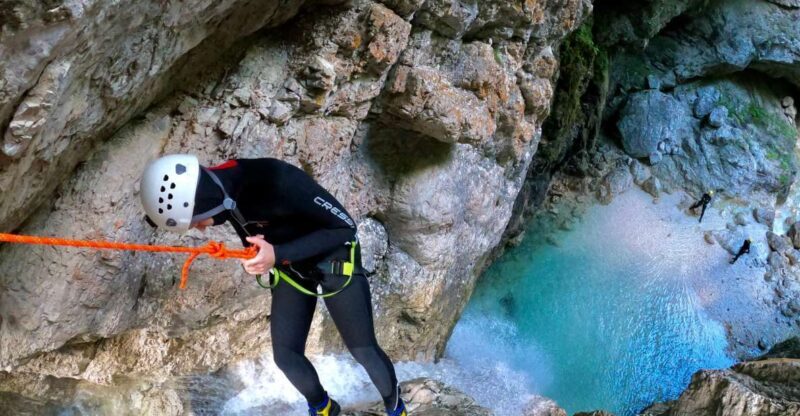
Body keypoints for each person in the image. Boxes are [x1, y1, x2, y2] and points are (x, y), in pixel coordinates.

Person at [140, 155, 407, 416]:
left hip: (333, 258)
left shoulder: (275, 179)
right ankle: (324, 408)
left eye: (196, 220)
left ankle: (396, 410)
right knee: (286, 356)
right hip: (291, 266)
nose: (199, 229)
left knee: (363, 349)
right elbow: (256, 234)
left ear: (203, 200)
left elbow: (345, 227)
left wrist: (276, 255)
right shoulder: (226, 194)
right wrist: (257, 257)